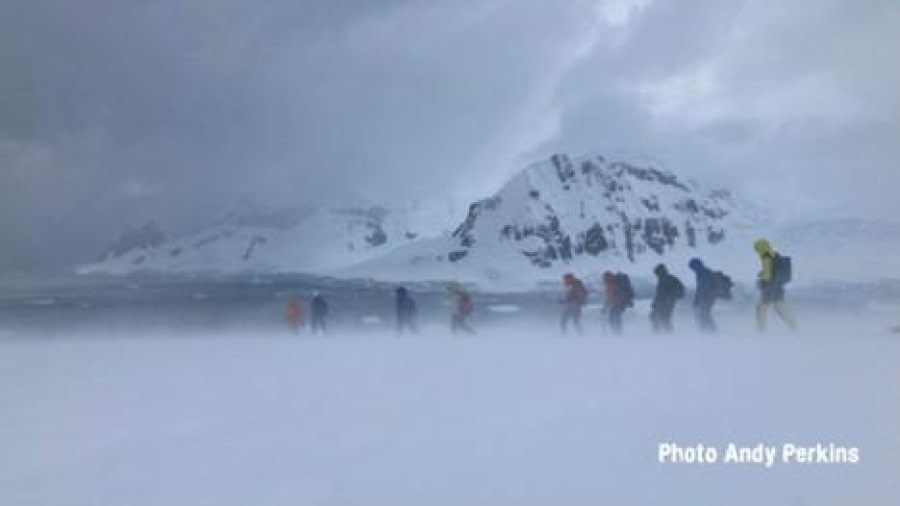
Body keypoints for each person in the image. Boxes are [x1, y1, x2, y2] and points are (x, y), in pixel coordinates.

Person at [754, 239, 797, 332]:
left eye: (757, 248)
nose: (756, 251)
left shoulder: (766, 257)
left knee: (762, 308)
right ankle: (792, 325)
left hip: (769, 288)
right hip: (778, 286)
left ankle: (761, 329)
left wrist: (761, 280)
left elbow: (767, 275)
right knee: (779, 306)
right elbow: (773, 270)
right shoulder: (774, 254)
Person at [650, 263, 684, 333]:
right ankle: (661, 332)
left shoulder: (668, 279)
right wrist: (655, 303)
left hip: (667, 303)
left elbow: (664, 293)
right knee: (656, 317)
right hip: (662, 303)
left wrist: (670, 298)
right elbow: (659, 294)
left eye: (657, 273)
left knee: (663, 318)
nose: (656, 275)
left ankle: (665, 333)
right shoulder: (663, 279)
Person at [689, 258, 718, 332]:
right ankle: (708, 330)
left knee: (703, 314)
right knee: (704, 314)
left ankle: (709, 330)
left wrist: (697, 300)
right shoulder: (704, 272)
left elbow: (701, 288)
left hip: (706, 297)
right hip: (708, 297)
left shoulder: (703, 273)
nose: (692, 270)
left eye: (692, 267)